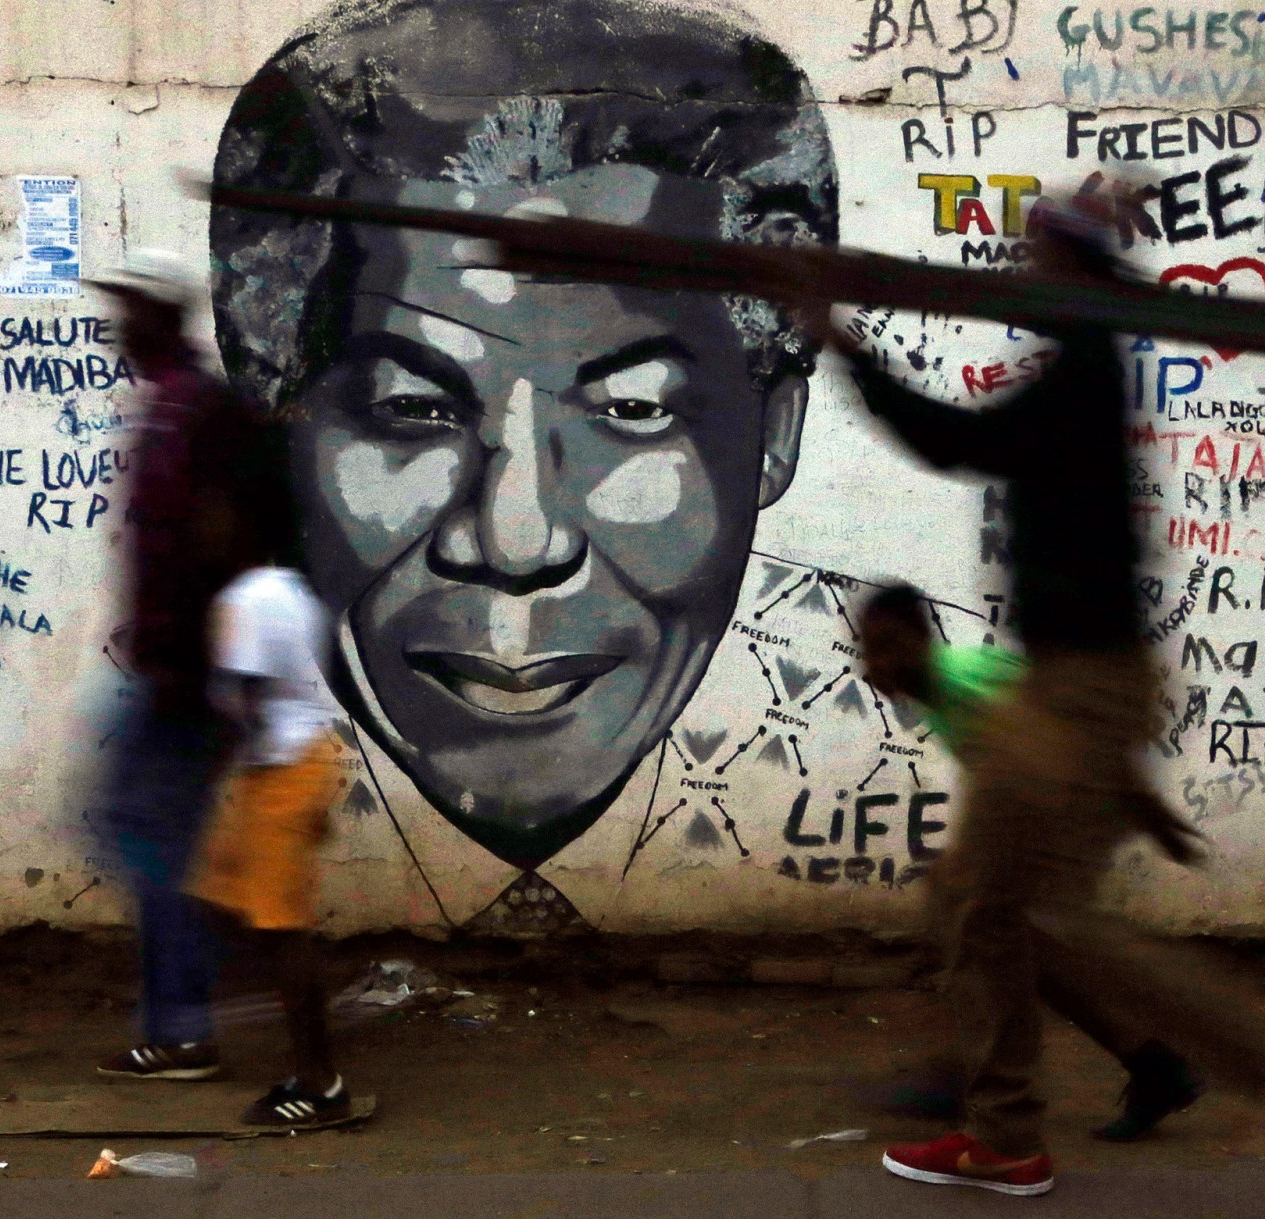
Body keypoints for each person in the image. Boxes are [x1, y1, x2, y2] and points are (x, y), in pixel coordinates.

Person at [806, 204, 1265, 1196]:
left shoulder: (1079, 371)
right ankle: (1003, 1136)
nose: (1020, 273)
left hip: (1081, 685)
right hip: (1069, 685)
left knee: (1040, 917)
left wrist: (844, 347)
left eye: (1039, 257)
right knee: (979, 906)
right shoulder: (1079, 368)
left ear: (1072, 273)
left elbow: (953, 442)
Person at [206, 0, 837, 902]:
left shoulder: (902, 704)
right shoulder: (167, 727)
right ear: (279, 423)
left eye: (630, 407)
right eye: (414, 411)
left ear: (773, 436)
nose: (516, 539)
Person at [856, 582, 1206, 1143]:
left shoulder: (963, 680)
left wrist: (1142, 806)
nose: (876, 665)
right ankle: (1153, 1065)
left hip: (1068, 806)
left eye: (887, 646)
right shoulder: (941, 690)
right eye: (867, 649)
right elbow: (999, 770)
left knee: (987, 933)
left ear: (921, 640)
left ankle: (980, 1083)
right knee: (1016, 948)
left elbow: (1058, 743)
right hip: (1050, 807)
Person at [89, 250, 262, 1082]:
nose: (114, 324)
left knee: (148, 834)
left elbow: (218, 542)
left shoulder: (199, 410)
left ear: (161, 314)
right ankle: (188, 996)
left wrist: (194, 658)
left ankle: (185, 1023)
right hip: (171, 665)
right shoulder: (169, 404)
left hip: (188, 674)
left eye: (127, 308)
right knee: (143, 830)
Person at [185, 462, 352, 1128]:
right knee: (226, 903)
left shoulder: (249, 600)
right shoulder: (290, 589)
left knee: (282, 928)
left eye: (213, 519)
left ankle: (321, 1082)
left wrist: (198, 776)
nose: (203, 531)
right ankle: (202, 1032)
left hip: (281, 771)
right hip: (287, 768)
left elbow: (246, 705)